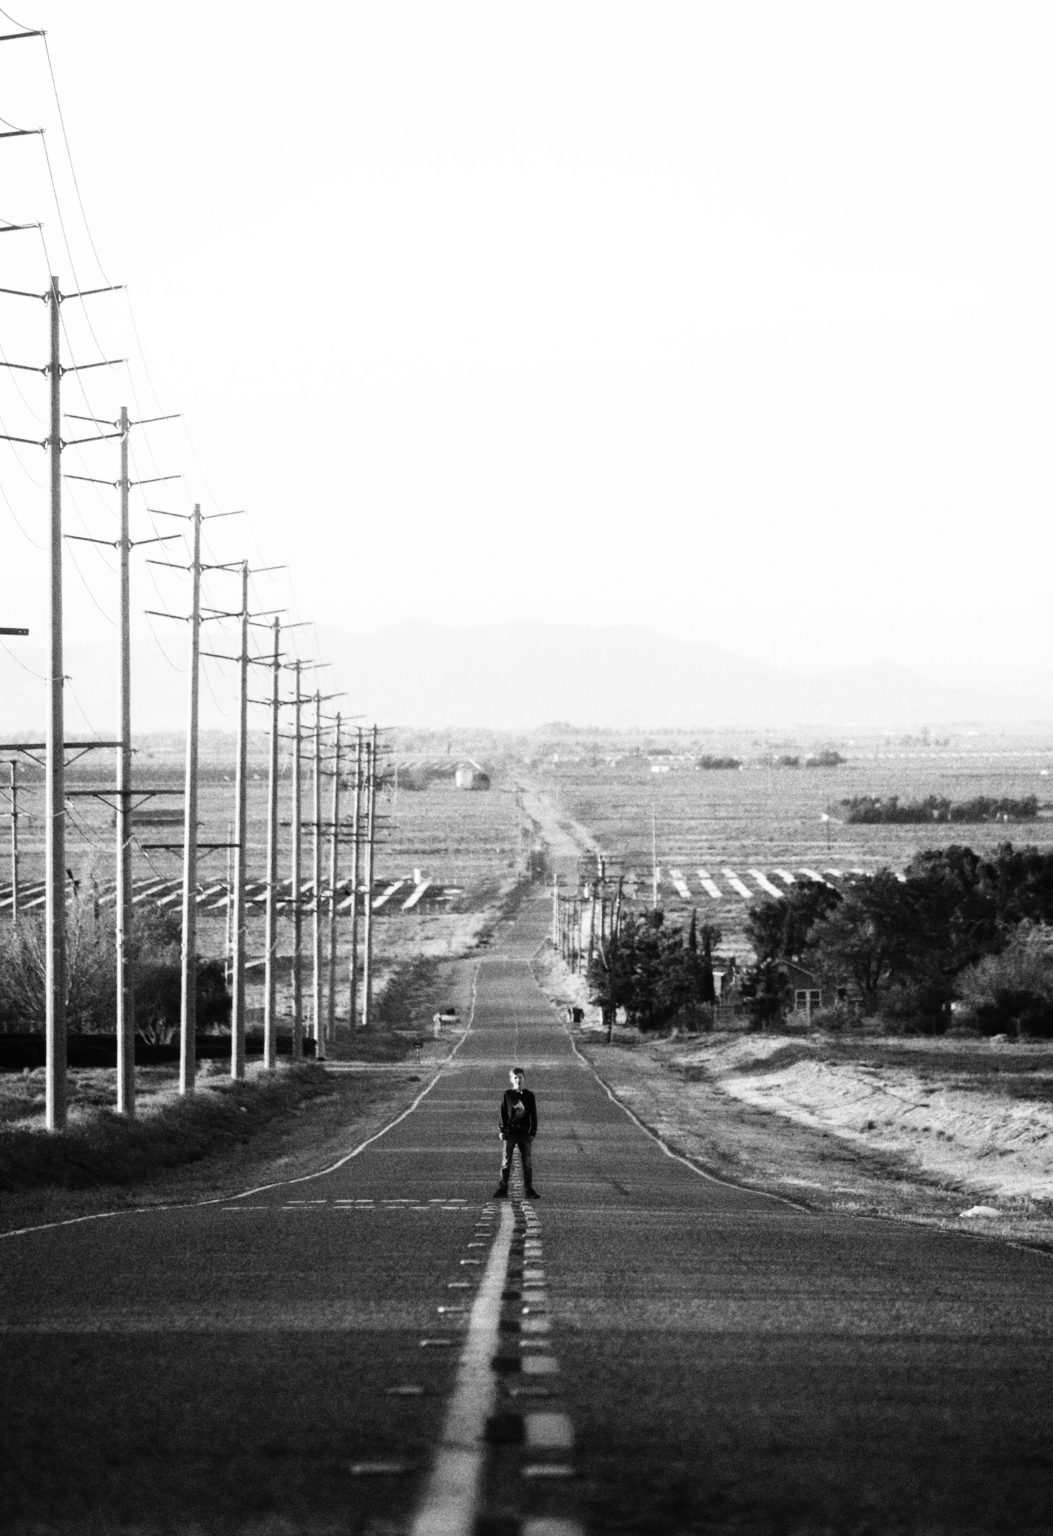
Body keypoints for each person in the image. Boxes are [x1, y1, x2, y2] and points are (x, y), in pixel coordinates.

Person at [493, 1066, 539, 1199]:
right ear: (511, 1079)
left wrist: (533, 1132)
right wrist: (502, 1130)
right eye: (515, 1078)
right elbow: (502, 1114)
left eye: (520, 1077)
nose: (518, 1080)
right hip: (510, 1132)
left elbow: (533, 1115)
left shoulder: (529, 1096)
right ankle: (503, 1188)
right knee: (506, 1161)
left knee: (527, 1162)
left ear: (524, 1079)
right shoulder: (507, 1094)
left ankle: (528, 1190)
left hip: (524, 1133)